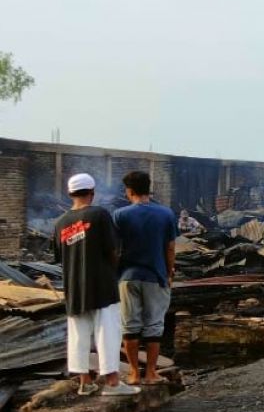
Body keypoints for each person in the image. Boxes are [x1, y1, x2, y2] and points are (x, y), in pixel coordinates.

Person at [53, 174, 139, 397]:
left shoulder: (60, 222)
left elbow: (59, 256)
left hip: (74, 288)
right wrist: (113, 269)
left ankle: (85, 382)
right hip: (101, 284)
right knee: (108, 331)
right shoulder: (99, 214)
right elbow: (112, 250)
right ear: (92, 192)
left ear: (70, 194)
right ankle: (112, 382)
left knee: (78, 335)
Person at [113, 170, 177, 385]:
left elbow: (114, 250)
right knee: (154, 326)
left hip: (127, 277)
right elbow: (170, 248)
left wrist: (116, 274)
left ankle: (133, 373)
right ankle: (150, 373)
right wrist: (169, 273)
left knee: (129, 326)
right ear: (149, 189)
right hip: (155, 276)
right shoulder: (166, 214)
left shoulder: (120, 215)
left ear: (129, 191)